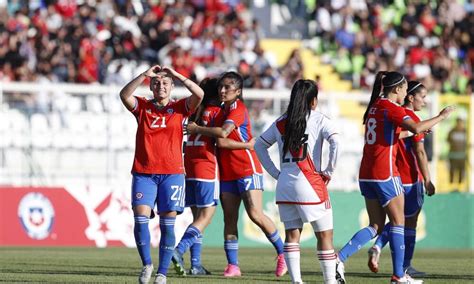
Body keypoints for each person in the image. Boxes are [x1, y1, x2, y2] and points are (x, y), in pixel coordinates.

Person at [334, 71, 454, 284]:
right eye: (406, 89)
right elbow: (416, 127)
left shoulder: (374, 107)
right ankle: (399, 275)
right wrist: (441, 116)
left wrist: (412, 132)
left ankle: (339, 259)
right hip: (385, 173)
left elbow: (395, 133)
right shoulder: (391, 108)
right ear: (397, 90)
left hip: (366, 174)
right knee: (400, 222)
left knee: (376, 226)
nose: (407, 93)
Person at [186, 71, 287, 277]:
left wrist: (197, 128)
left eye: (227, 87)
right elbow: (220, 141)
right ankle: (233, 266)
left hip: (247, 168)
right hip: (227, 172)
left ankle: (283, 254)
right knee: (229, 219)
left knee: (255, 214)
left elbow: (222, 137)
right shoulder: (219, 110)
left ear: (238, 91)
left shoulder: (238, 108)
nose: (223, 90)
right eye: (221, 87)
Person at [119, 65, 204, 284]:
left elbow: (199, 94)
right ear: (151, 86)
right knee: (140, 220)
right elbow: (124, 94)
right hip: (144, 173)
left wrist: (177, 75)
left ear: (172, 87)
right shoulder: (143, 108)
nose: (161, 86)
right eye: (157, 83)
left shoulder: (180, 108)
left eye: (166, 83)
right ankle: (147, 264)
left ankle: (162, 273)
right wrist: (143, 75)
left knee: (168, 224)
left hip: (172, 174)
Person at [254, 79, 340, 284]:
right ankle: (330, 281)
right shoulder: (320, 119)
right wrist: (328, 171)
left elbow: (259, 146)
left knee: (292, 237)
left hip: (285, 186)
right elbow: (336, 142)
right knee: (325, 237)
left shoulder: (280, 122)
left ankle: (297, 282)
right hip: (310, 183)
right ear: (313, 101)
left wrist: (276, 173)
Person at [171, 78, 254, 276]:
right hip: (206, 168)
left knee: (197, 218)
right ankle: (178, 250)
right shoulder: (216, 113)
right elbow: (221, 137)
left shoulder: (193, 112)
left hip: (188, 167)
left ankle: (196, 265)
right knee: (205, 218)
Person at [367, 81, 435, 277]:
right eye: (422, 96)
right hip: (409, 178)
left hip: (391, 175)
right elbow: (420, 152)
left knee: (399, 220)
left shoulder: (392, 114)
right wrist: (428, 180)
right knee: (406, 221)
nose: (424, 101)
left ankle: (390, 256)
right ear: (411, 97)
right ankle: (403, 265)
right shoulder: (411, 118)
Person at [447, 117, 467, 187]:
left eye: (461, 122)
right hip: (453, 156)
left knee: (461, 172)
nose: (459, 124)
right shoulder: (452, 131)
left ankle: (460, 187)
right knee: (452, 171)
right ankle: (451, 186)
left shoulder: (466, 131)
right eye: (458, 122)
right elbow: (448, 140)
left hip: (462, 156)